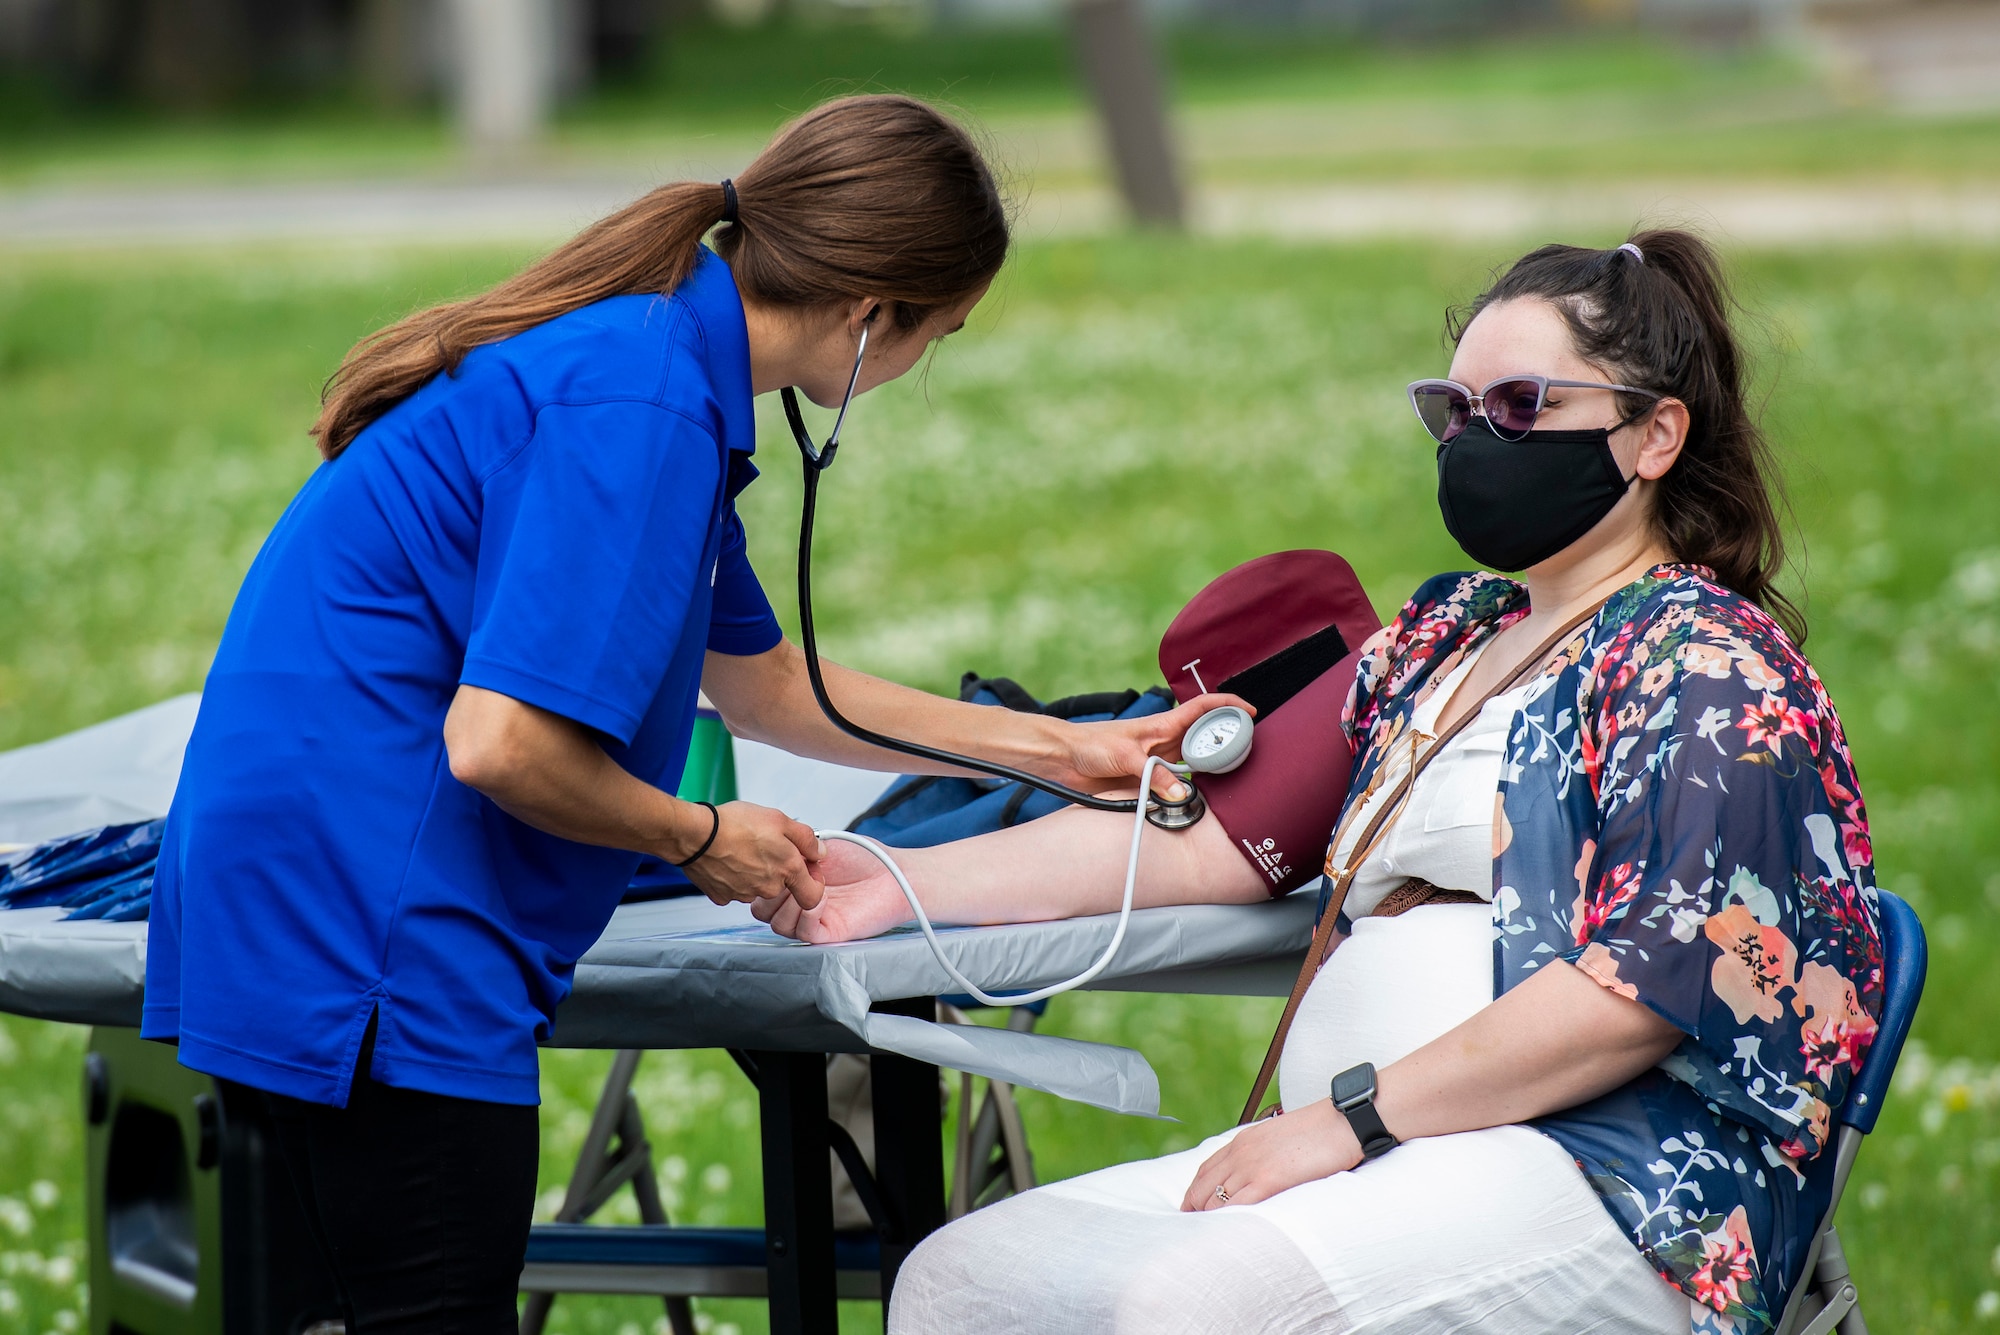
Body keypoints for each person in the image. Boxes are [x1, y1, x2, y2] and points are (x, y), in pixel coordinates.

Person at [139, 94, 1238, 1334]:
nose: (930, 359)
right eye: (945, 330)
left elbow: (768, 686)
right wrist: (698, 836)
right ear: (873, 316)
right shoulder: (645, 404)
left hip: (287, 889)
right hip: (369, 927)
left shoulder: (655, 364)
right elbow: (501, 744)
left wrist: (1065, 749)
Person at [763, 229, 1885, 1335]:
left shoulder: (1710, 668)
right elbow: (1203, 844)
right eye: (1453, 410)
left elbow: (1642, 990)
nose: (1473, 440)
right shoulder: (1441, 639)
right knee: (963, 1281)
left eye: (1519, 407)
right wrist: (901, 877)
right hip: (1379, 1159)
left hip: (1615, 1178)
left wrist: (1347, 1123)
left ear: (1652, 437)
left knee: (1191, 1303)